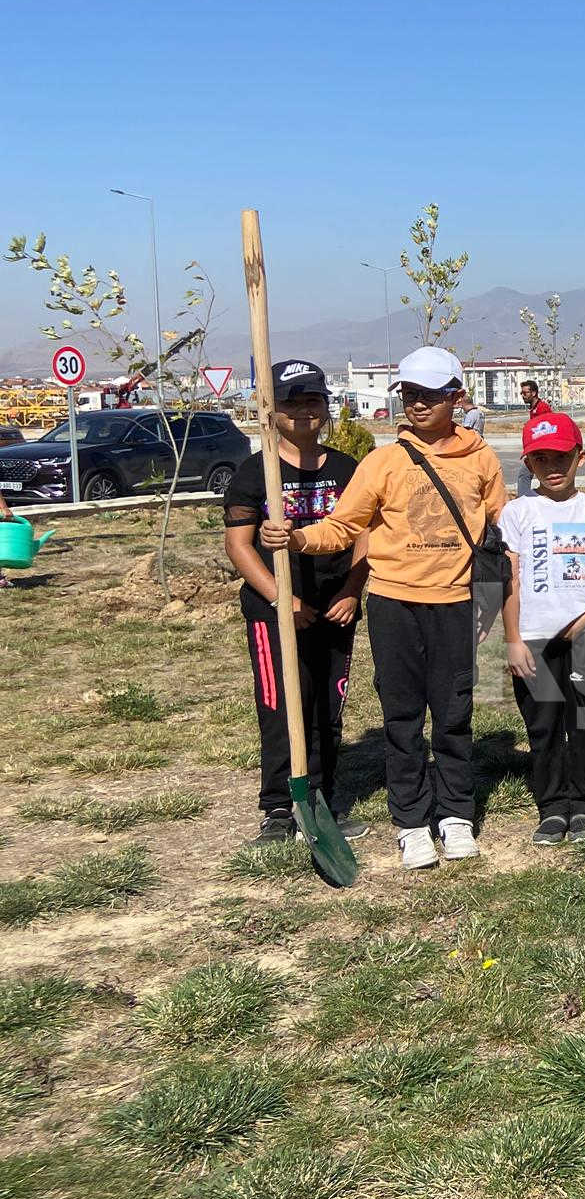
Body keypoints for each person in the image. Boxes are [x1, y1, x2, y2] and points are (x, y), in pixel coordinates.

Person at [265, 347, 507, 870]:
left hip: (458, 603)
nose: (417, 404)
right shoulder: (383, 462)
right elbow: (343, 526)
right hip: (396, 604)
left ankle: (456, 815)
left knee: (454, 714)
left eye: (430, 395)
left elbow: (500, 531)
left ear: (455, 398)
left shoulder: (482, 458)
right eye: (410, 395)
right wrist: (297, 539)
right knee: (401, 717)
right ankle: (412, 822)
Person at [222, 360, 371, 846]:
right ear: (272, 410)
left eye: (313, 400)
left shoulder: (349, 471)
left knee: (328, 706)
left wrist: (352, 590)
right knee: (283, 706)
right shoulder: (255, 473)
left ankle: (321, 802)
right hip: (274, 612)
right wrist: (280, 598)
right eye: (291, 401)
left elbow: (366, 538)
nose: (304, 411)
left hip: (336, 607)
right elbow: (239, 546)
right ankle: (279, 809)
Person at [499, 411, 585, 846]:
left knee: (581, 720)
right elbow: (508, 581)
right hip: (531, 638)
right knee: (543, 724)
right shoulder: (516, 513)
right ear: (528, 464)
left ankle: (584, 803)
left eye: (561, 458)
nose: (552, 468)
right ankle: (551, 806)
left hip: (581, 636)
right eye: (541, 459)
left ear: (580, 458)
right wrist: (513, 639)